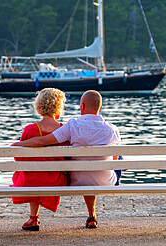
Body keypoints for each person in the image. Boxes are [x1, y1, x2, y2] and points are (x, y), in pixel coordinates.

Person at [12, 90, 121, 229]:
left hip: (77, 180)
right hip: (106, 181)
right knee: (112, 159)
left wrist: (17, 145)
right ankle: (91, 216)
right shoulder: (113, 130)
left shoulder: (72, 126)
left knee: (85, 164)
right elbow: (116, 160)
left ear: (82, 106)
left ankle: (34, 217)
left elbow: (41, 141)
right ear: (100, 107)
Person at [11, 88, 69, 231]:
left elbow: (19, 156)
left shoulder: (30, 129)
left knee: (31, 172)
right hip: (55, 179)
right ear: (59, 107)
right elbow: (69, 157)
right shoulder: (64, 129)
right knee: (39, 173)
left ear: (38, 106)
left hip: (30, 179)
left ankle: (33, 218)